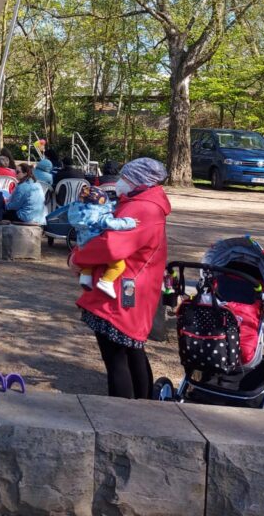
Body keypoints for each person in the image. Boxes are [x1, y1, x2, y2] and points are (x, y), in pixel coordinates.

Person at [70, 158, 170, 400]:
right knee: (132, 350)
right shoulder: (145, 202)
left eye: (124, 177)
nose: (119, 182)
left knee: (116, 357)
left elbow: (112, 246)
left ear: (138, 180)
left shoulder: (142, 208)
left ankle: (123, 410)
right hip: (132, 284)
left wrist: (78, 257)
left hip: (122, 289)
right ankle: (143, 402)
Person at [69, 185, 138, 298]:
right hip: (97, 246)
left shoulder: (77, 212)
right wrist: (130, 222)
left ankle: (85, 277)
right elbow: (114, 224)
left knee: (89, 262)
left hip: (83, 245)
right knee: (118, 266)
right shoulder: (98, 216)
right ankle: (106, 281)